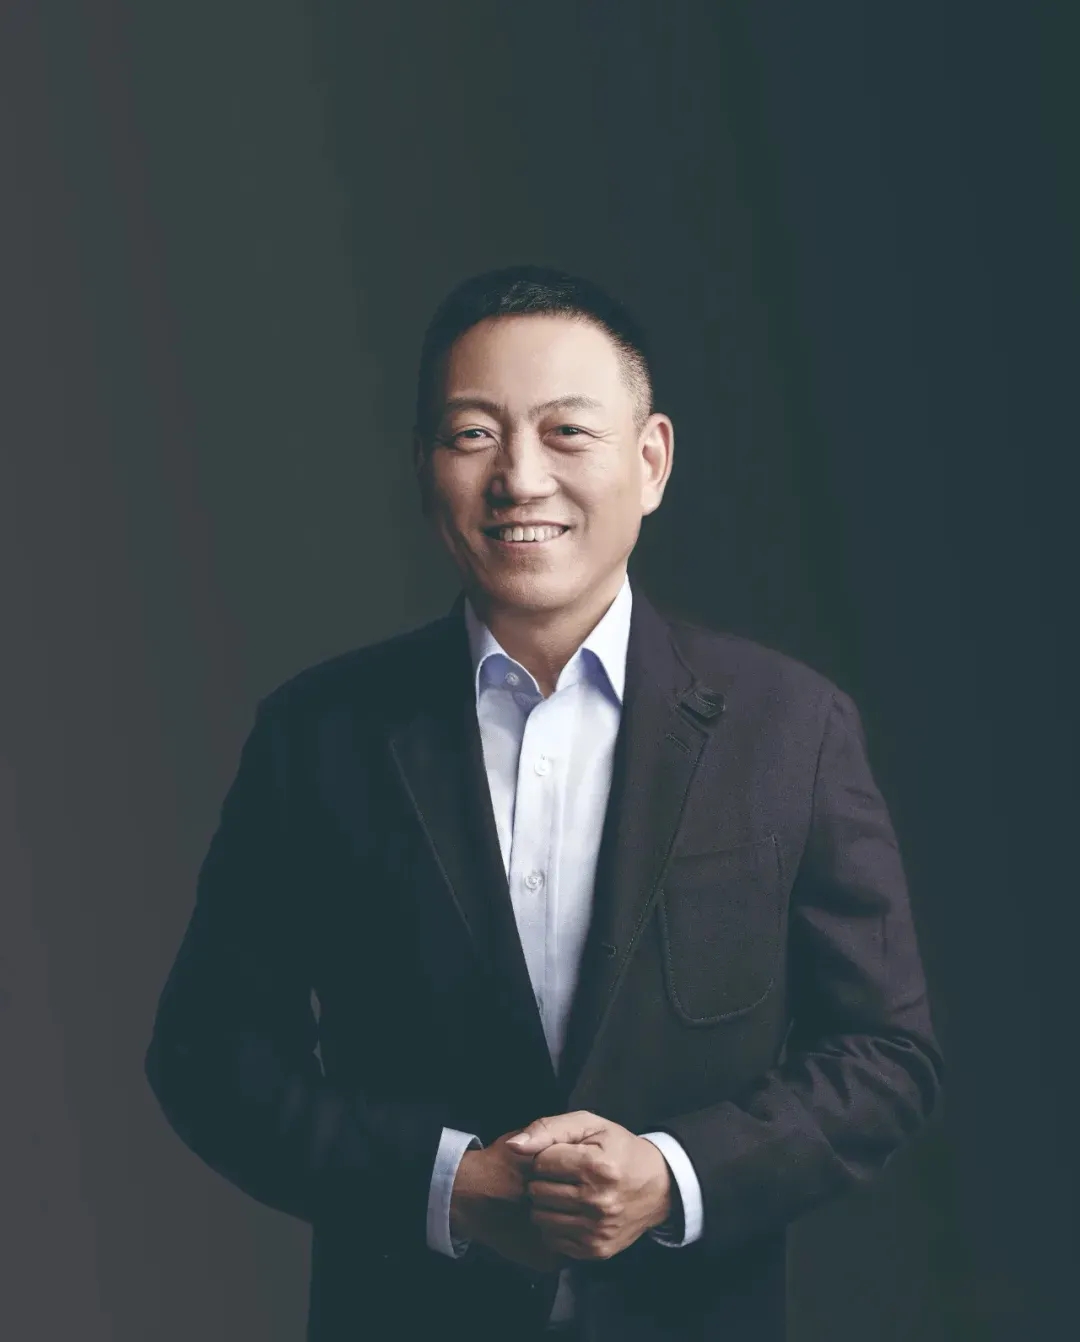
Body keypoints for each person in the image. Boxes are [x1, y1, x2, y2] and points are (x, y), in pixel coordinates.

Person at [144, 265, 943, 1342]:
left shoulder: (792, 727)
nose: (520, 478)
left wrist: (674, 1174)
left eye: (567, 432)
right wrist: (448, 1186)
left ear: (651, 461)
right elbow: (210, 1058)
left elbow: (886, 1057)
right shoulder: (317, 736)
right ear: (423, 465)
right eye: (472, 435)